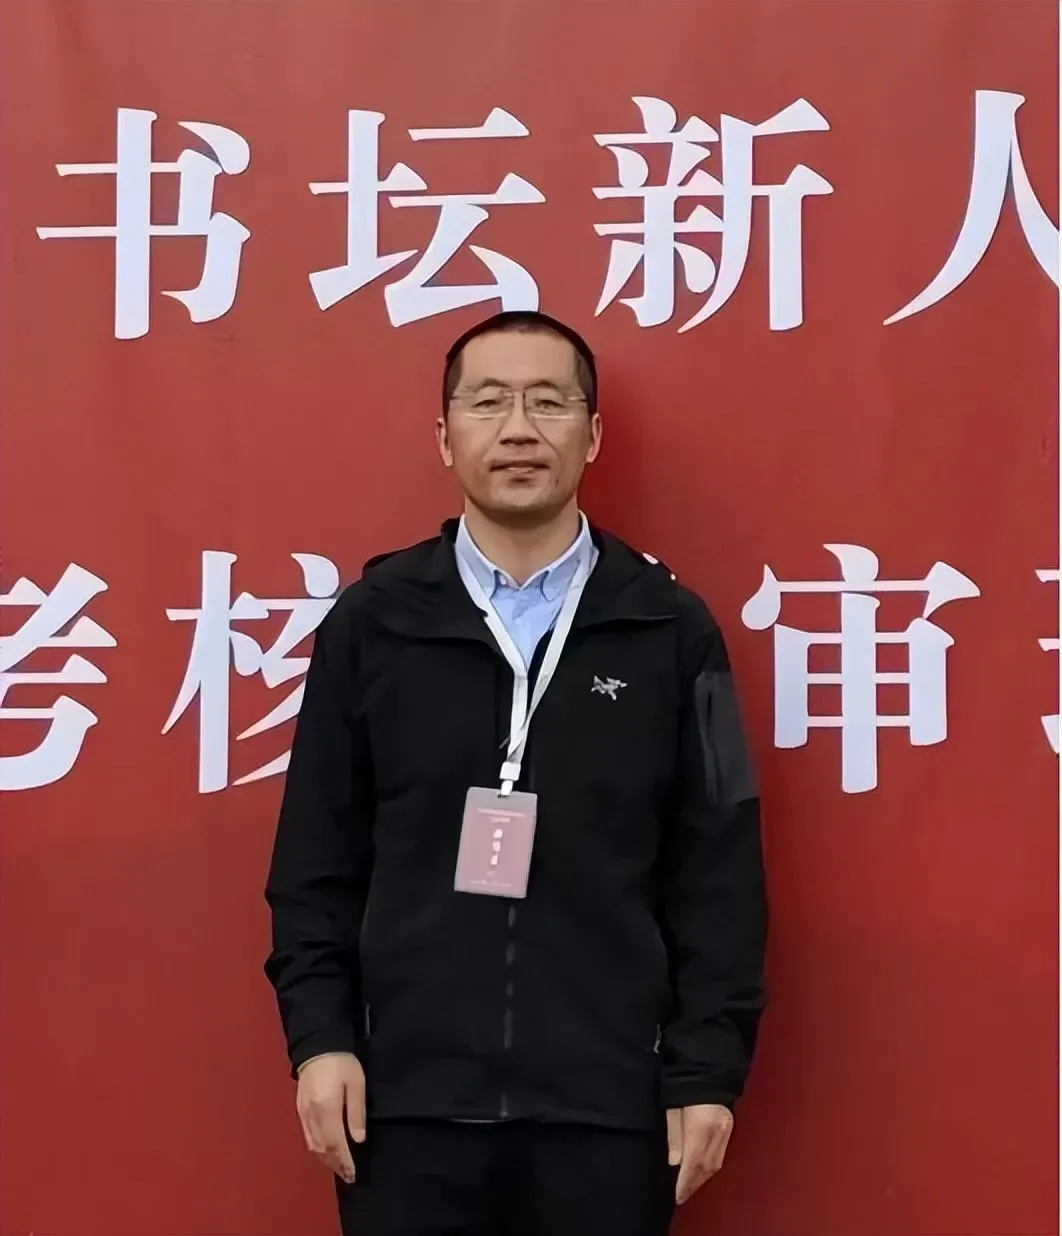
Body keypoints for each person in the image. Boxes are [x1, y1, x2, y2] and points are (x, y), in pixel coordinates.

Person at [264, 309, 768, 1236]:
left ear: (593, 434)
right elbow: (313, 864)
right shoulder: (372, 624)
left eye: (549, 402)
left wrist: (706, 1070)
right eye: (489, 402)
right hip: (404, 1111)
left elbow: (721, 870)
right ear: (445, 435)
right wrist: (321, 1041)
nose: (519, 429)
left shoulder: (673, 631)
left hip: (609, 1114)